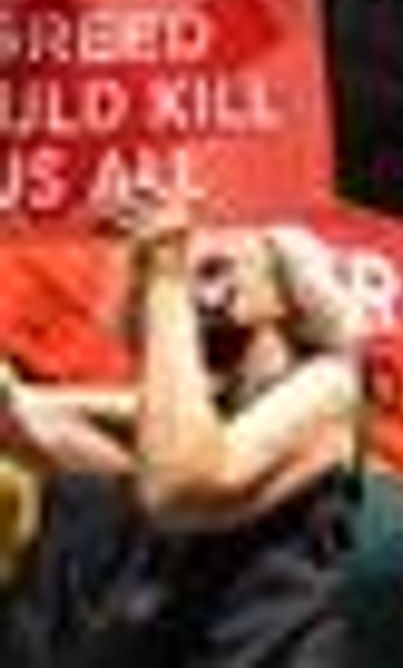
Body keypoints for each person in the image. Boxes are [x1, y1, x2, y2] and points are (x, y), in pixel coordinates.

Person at [0, 195, 361, 667]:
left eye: (219, 265)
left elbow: (182, 487)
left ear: (286, 288)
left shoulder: (329, 387)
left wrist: (166, 277)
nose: (198, 274)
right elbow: (26, 421)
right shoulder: (185, 416)